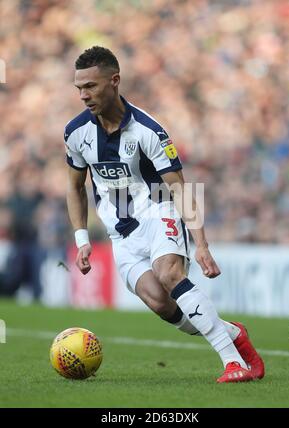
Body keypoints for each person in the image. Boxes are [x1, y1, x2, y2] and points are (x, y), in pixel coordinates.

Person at [64, 46, 264, 383]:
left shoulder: (148, 130)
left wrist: (201, 244)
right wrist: (82, 238)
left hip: (158, 210)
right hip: (120, 233)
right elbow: (73, 187)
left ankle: (233, 363)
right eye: (79, 88)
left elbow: (179, 188)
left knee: (170, 274)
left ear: (114, 81)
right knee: (161, 303)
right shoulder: (76, 133)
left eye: (91, 87)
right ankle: (232, 333)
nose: (83, 95)